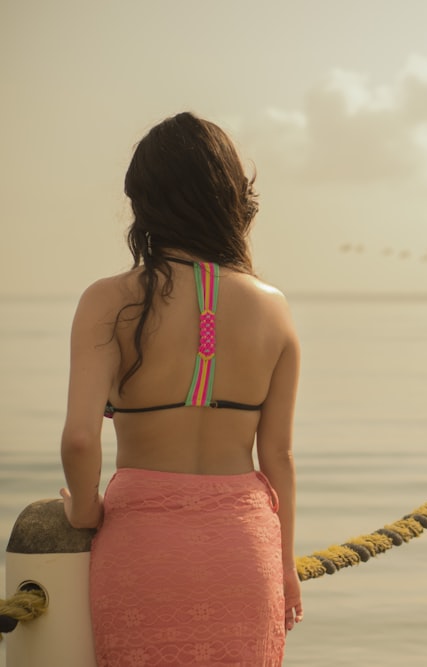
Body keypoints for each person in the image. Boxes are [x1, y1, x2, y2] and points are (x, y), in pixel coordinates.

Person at [59, 111, 303, 665]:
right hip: (246, 549)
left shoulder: (108, 300)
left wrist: (84, 513)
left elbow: (79, 440)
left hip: (144, 549)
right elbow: (279, 457)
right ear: (230, 199)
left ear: (144, 200)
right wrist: (285, 565)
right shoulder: (274, 308)